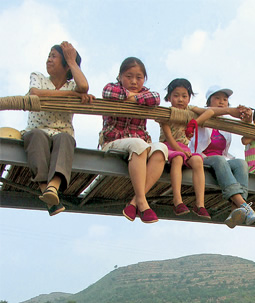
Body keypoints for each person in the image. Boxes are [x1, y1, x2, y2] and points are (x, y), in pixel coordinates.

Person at [22, 41, 94, 216]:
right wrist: (71, 96)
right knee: (37, 136)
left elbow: (84, 87)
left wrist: (72, 60)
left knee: (65, 139)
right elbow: (35, 94)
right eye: (49, 56)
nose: (49, 60)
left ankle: (51, 188)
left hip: (62, 132)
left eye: (54, 56)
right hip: (37, 129)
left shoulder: (73, 85)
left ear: (67, 65)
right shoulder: (38, 77)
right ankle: (46, 189)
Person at [100, 57, 168, 224]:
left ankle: (134, 202)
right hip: (114, 143)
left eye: (139, 77)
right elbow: (109, 93)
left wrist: (130, 98)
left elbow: (155, 98)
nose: (133, 81)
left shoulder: (147, 93)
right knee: (139, 144)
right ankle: (143, 203)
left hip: (140, 147)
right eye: (129, 76)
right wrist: (138, 98)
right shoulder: (112, 88)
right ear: (120, 76)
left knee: (161, 149)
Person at [190, 85, 255, 228]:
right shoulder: (200, 113)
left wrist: (247, 117)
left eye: (225, 99)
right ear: (208, 101)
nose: (222, 101)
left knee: (241, 163)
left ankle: (236, 210)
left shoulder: (227, 122)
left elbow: (246, 128)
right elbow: (207, 112)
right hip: (201, 157)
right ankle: (245, 206)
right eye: (217, 98)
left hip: (221, 160)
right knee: (219, 159)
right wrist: (228, 110)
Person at [160, 78, 216, 219]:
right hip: (170, 147)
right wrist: (180, 149)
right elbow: (169, 137)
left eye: (184, 96)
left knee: (198, 160)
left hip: (185, 149)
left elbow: (210, 112)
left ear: (189, 98)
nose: (180, 99)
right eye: (176, 95)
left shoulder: (190, 110)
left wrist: (194, 122)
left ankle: (200, 204)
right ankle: (177, 200)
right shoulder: (166, 113)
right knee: (178, 158)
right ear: (169, 98)